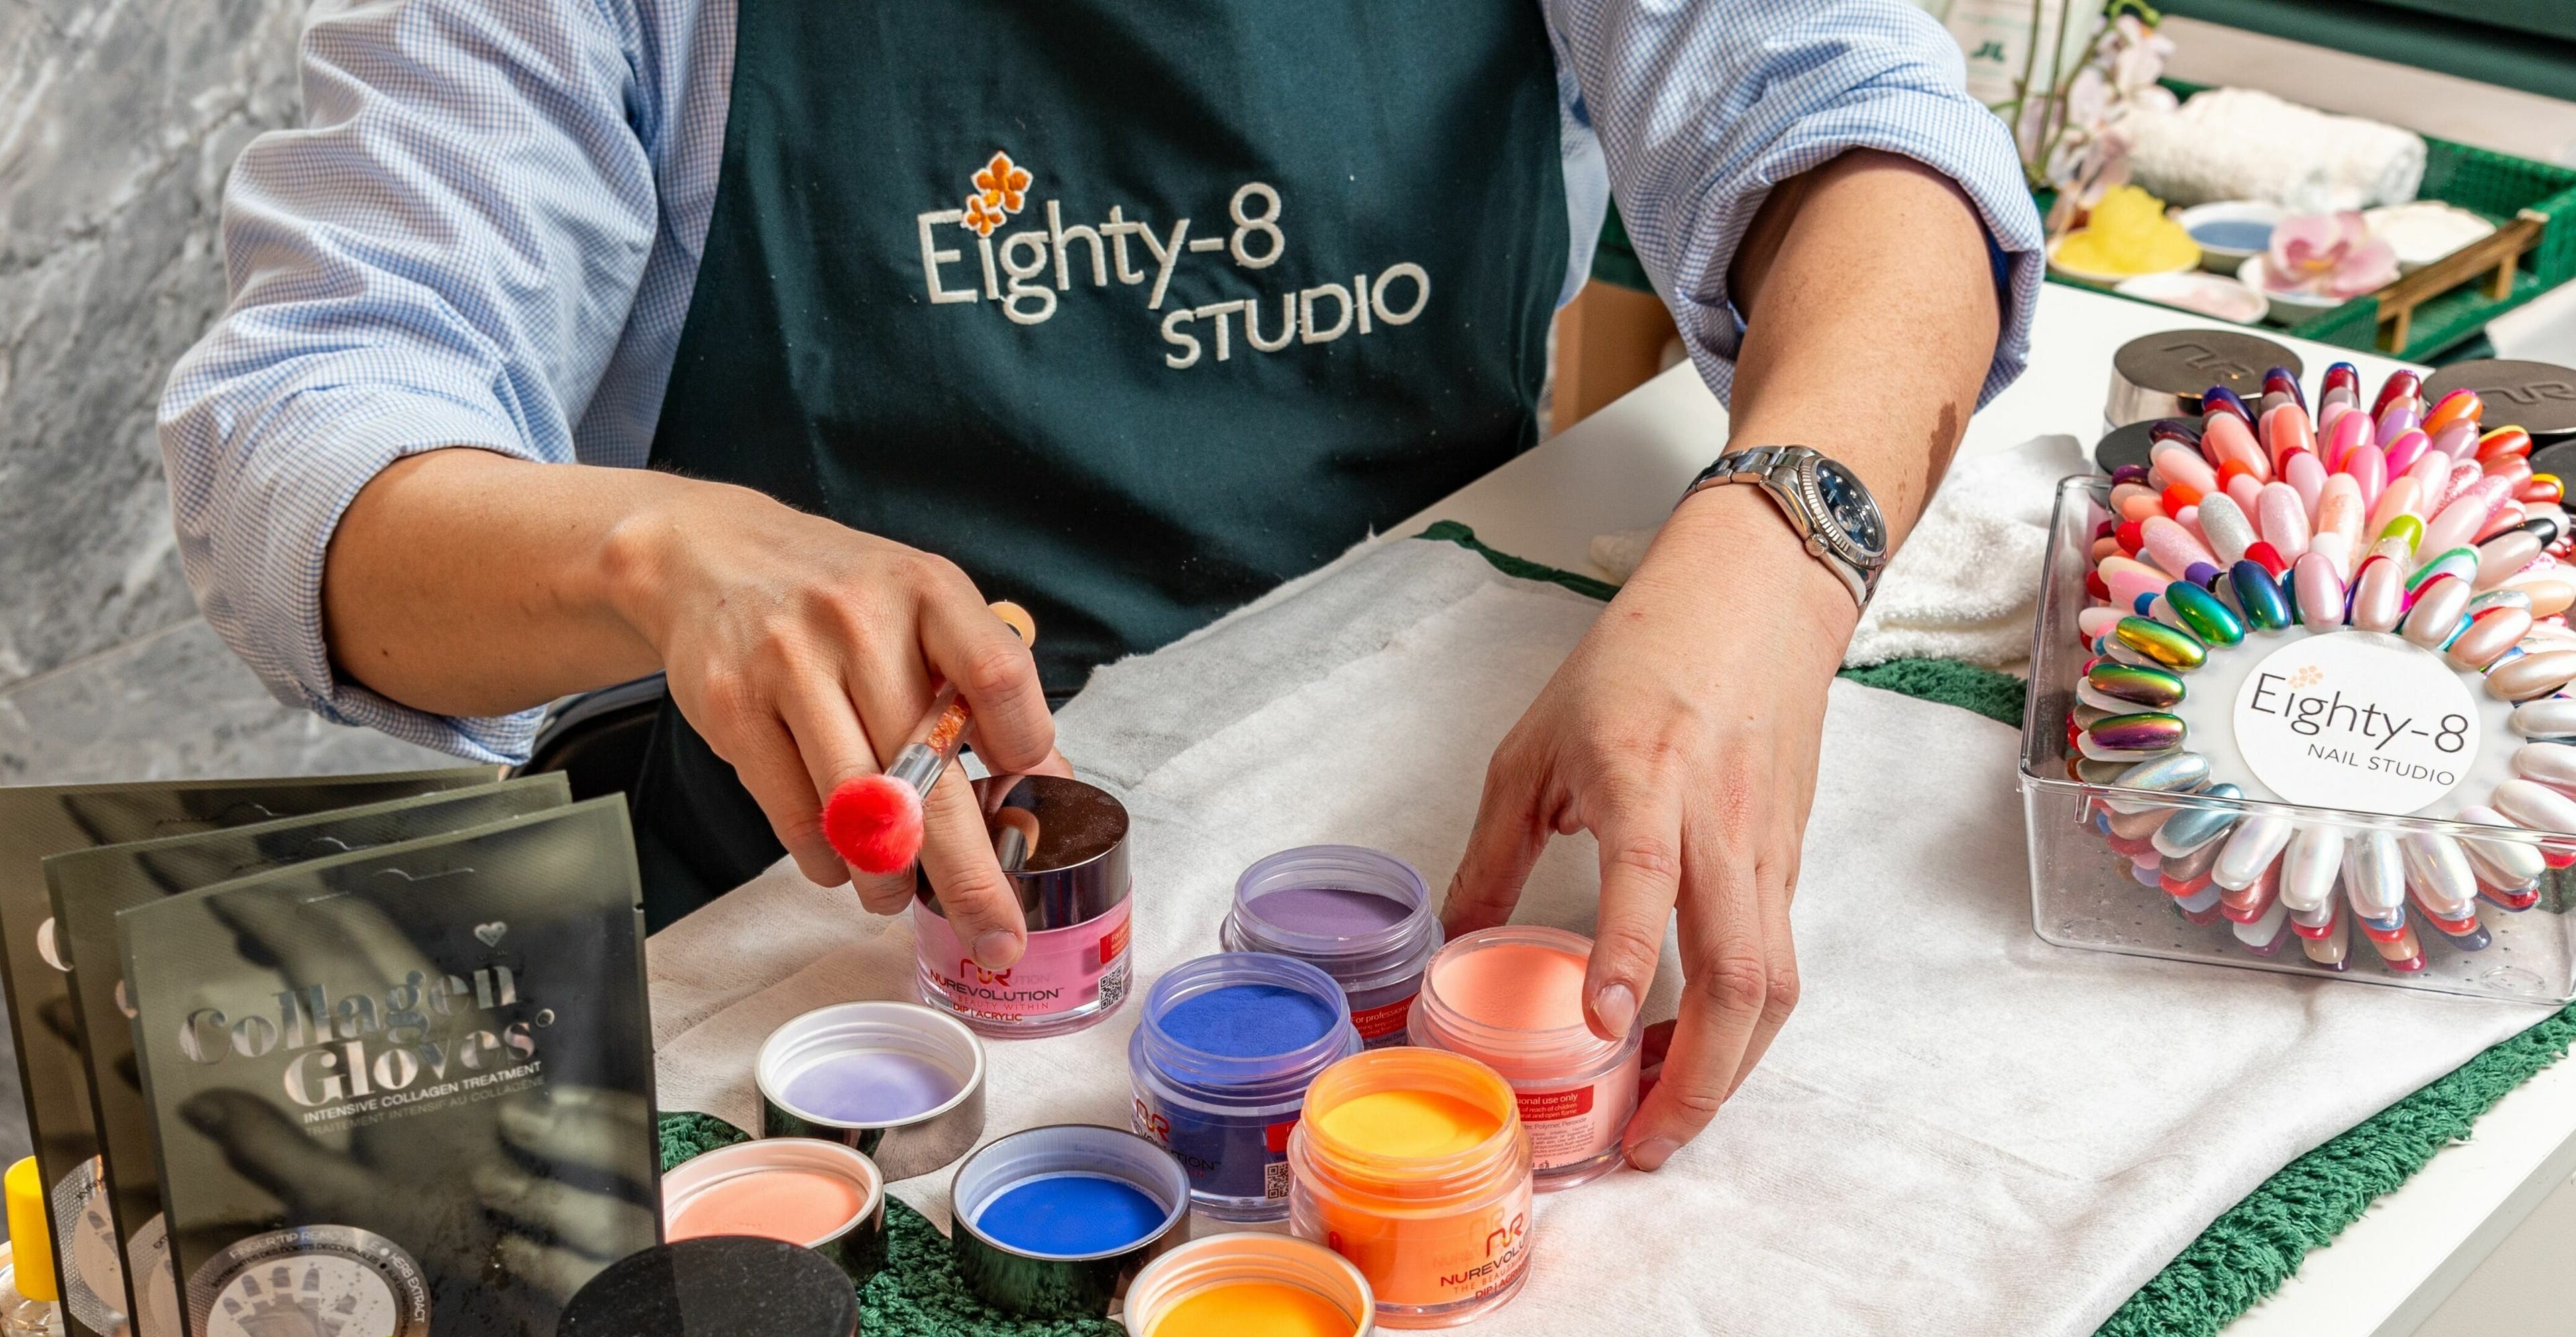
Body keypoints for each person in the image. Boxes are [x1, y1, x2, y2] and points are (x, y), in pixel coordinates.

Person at [160, 0, 2040, 1170]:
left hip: (1408, 821)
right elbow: (299, 434)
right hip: (828, 939)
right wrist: (660, 554)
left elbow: (1872, 144)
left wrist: (1781, 543)